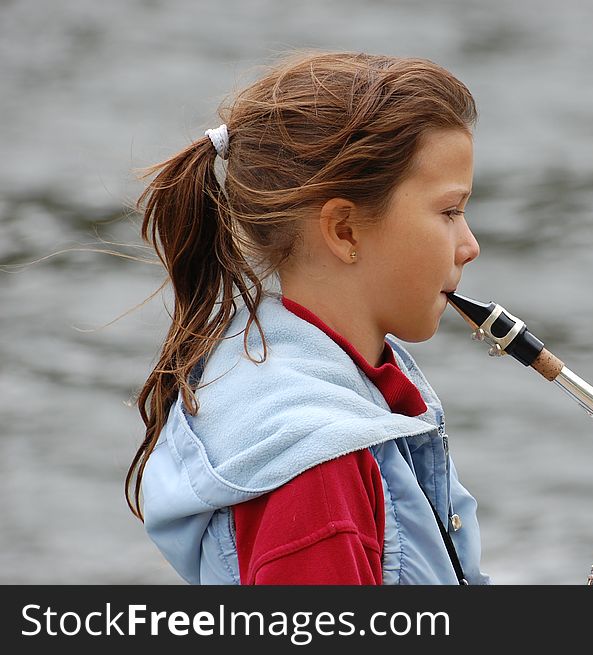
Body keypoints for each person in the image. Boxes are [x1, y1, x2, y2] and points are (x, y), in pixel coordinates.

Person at [125, 51, 489, 585]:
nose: (470, 246)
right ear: (344, 231)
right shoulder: (318, 471)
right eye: (450, 212)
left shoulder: (297, 379)